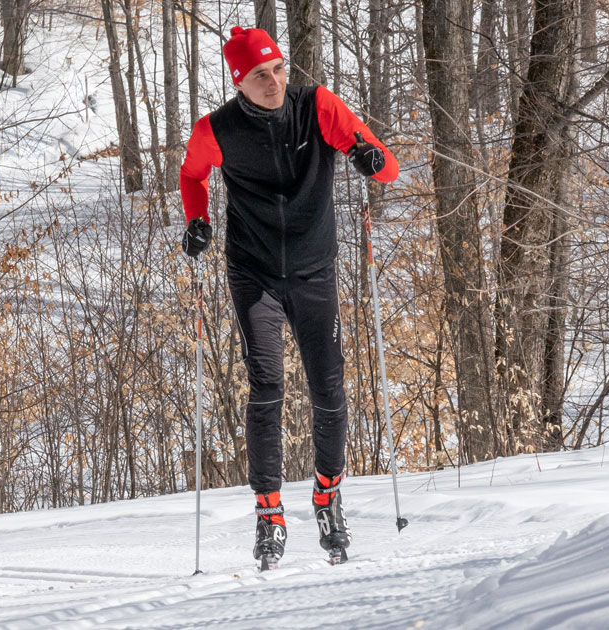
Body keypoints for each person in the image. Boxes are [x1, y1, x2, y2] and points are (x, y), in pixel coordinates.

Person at [178, 26, 399, 569]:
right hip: (253, 272)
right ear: (239, 81)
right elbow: (191, 174)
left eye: (278, 70)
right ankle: (269, 513)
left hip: (313, 270)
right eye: (260, 75)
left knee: (328, 385)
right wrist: (197, 219)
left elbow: (388, 167)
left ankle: (327, 497)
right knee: (267, 386)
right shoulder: (217, 129)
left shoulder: (317, 105)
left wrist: (370, 159)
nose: (274, 82)